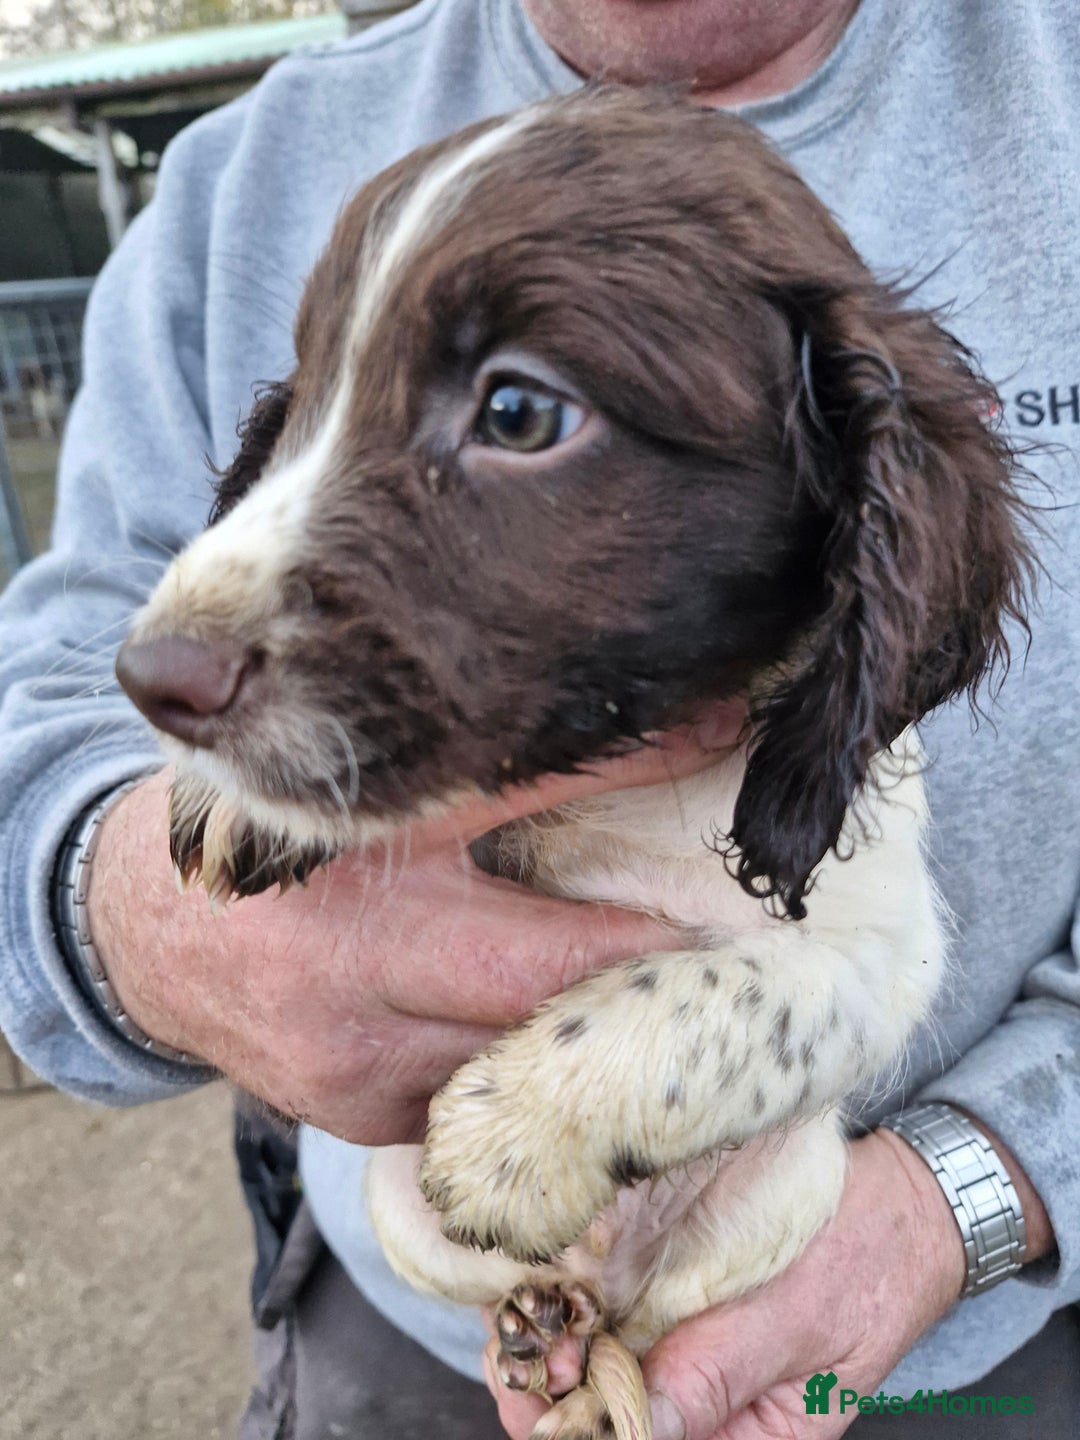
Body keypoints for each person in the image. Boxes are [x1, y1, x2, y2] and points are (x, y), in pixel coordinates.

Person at [0, 2, 1077, 1437]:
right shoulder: (239, 175)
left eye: (516, 415)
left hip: (957, 1342)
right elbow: (54, 702)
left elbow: (861, 958)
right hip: (413, 1334)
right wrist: (137, 906)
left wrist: (967, 1195)